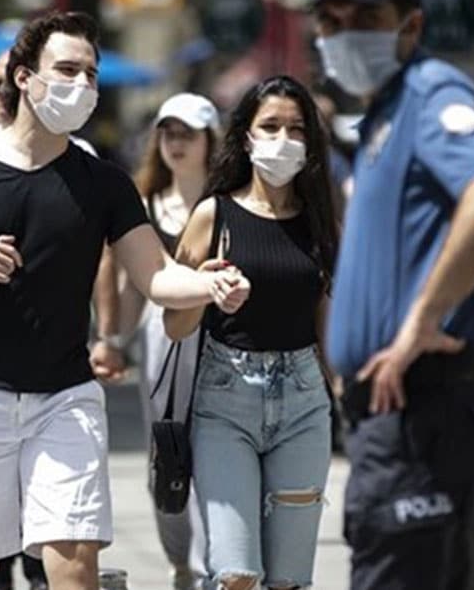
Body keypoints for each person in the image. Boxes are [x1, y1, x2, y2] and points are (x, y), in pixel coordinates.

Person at [0, 11, 249, 590]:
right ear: (24, 77)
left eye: (91, 74)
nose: (83, 85)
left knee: (76, 564)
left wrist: (211, 282)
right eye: (68, 69)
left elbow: (156, 275)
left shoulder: (102, 181)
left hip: (65, 398)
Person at [311, 0, 474, 589]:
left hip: (419, 406)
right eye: (332, 20)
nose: (346, 35)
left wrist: (415, 326)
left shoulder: (431, 92)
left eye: (366, 18)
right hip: (392, 413)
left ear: (412, 25)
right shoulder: (384, 112)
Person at [162, 75, 339, 590]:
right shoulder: (213, 215)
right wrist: (204, 288)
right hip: (225, 401)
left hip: (305, 401)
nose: (283, 139)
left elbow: (325, 314)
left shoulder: (320, 221)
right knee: (237, 574)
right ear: (246, 136)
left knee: (287, 579)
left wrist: (343, 385)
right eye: (271, 126)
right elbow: (174, 323)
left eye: (296, 129)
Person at [113, 92, 220, 590]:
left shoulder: (231, 201)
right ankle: (180, 560)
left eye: (188, 134)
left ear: (210, 140)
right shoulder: (145, 202)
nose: (176, 143)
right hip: (161, 339)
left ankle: (206, 567)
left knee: (216, 446)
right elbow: (131, 283)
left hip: (219, 333)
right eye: (168, 133)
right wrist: (113, 339)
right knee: (169, 447)